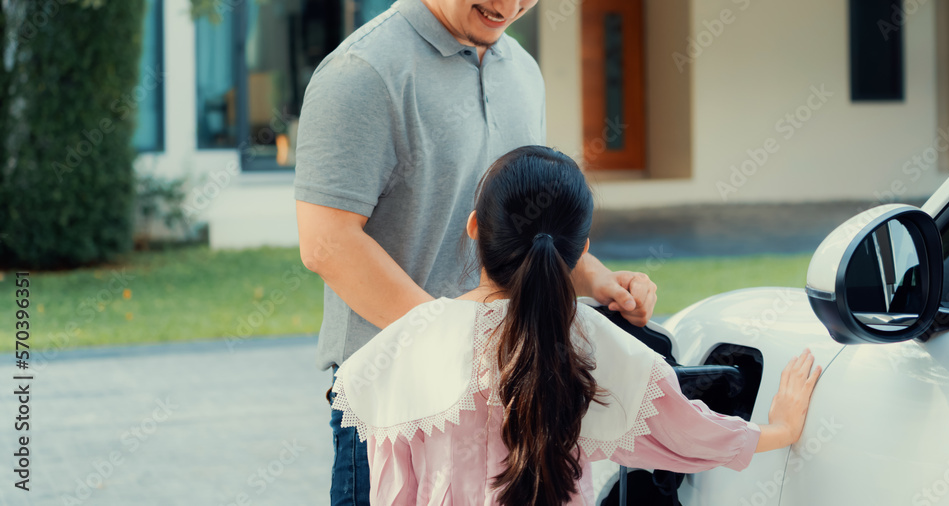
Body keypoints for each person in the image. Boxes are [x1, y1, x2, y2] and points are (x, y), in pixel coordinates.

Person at [293, 1, 659, 504]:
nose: (509, 6)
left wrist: (597, 278)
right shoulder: (362, 73)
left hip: (508, 389)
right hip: (397, 399)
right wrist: (454, 344)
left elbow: (525, 218)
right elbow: (326, 243)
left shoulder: (522, 70)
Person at [330, 146, 822, 505]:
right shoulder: (588, 337)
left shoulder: (401, 346)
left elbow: (393, 490)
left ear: (475, 227)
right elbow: (686, 432)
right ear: (581, 250)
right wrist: (779, 428)